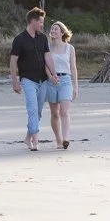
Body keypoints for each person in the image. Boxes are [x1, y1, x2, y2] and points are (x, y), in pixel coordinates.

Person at [9, 7, 58, 151]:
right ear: (33, 21)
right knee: (32, 109)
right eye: (40, 22)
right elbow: (13, 61)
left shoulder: (42, 38)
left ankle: (27, 138)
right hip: (28, 80)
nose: (42, 25)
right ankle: (35, 141)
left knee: (38, 112)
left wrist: (54, 73)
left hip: (43, 80)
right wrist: (14, 82)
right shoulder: (19, 39)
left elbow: (47, 57)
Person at [46, 21, 78, 149]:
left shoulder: (70, 48)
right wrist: (50, 77)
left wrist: (75, 86)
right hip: (51, 81)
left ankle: (66, 138)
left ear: (62, 32)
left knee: (64, 111)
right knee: (55, 113)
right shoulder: (47, 47)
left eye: (56, 29)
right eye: (52, 29)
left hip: (65, 81)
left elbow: (73, 68)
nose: (53, 31)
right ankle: (58, 140)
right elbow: (45, 65)